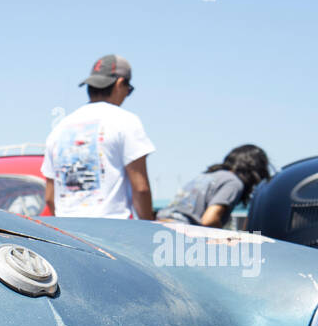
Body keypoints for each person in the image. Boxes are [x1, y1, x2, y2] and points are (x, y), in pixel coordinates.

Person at [42, 55, 155, 219]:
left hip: (67, 234)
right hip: (111, 232)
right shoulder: (125, 121)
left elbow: (50, 198)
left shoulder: (59, 129)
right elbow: (140, 188)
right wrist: (149, 228)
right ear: (119, 84)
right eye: (128, 90)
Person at [156, 145, 271, 228]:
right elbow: (209, 220)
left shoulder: (205, 176)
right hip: (181, 230)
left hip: (158, 225)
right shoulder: (233, 182)